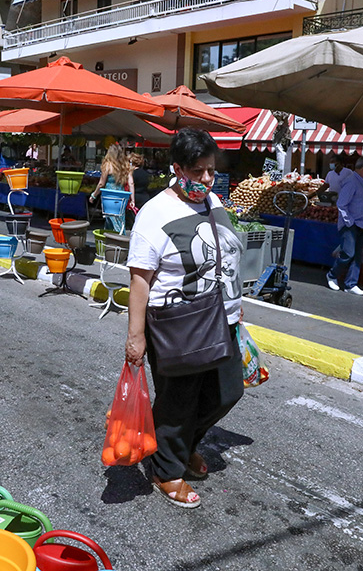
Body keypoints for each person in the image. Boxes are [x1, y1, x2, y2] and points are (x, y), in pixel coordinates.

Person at [125, 128, 243, 509]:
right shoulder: (154, 213)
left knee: (227, 393)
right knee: (178, 403)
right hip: (177, 322)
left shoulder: (212, 202)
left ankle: (185, 444)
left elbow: (226, 257)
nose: (206, 180)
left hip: (221, 319)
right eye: (197, 171)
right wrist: (136, 337)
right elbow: (140, 280)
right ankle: (166, 469)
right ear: (176, 168)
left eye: (210, 170)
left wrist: (239, 310)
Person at [327, 156, 363, 295]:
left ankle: (351, 284)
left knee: (357, 255)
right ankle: (332, 275)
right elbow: (342, 204)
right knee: (348, 253)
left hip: (361, 223)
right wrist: (349, 222)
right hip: (351, 224)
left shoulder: (361, 182)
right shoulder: (352, 181)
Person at [88, 143, 134, 233]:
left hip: (109, 195)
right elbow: (131, 183)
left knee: (110, 219)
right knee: (120, 220)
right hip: (121, 195)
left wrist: (93, 195)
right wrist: (132, 200)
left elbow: (101, 183)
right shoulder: (125, 165)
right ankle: (119, 239)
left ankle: (110, 241)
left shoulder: (108, 165)